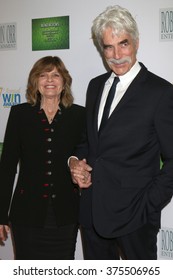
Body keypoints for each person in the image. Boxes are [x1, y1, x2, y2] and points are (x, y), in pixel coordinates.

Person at [69, 5, 173, 260]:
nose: (116, 55)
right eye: (108, 47)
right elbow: (89, 143)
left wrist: (147, 206)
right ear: (101, 49)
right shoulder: (95, 86)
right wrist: (75, 163)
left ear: (136, 42)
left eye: (123, 44)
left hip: (135, 220)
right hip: (92, 215)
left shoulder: (160, 92)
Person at [0, 56, 86, 259]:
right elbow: (7, 167)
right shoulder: (20, 114)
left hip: (66, 214)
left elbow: (84, 156)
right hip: (26, 214)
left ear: (64, 81)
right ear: (35, 82)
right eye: (43, 75)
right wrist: (1, 214)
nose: (50, 80)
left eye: (56, 75)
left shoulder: (79, 115)